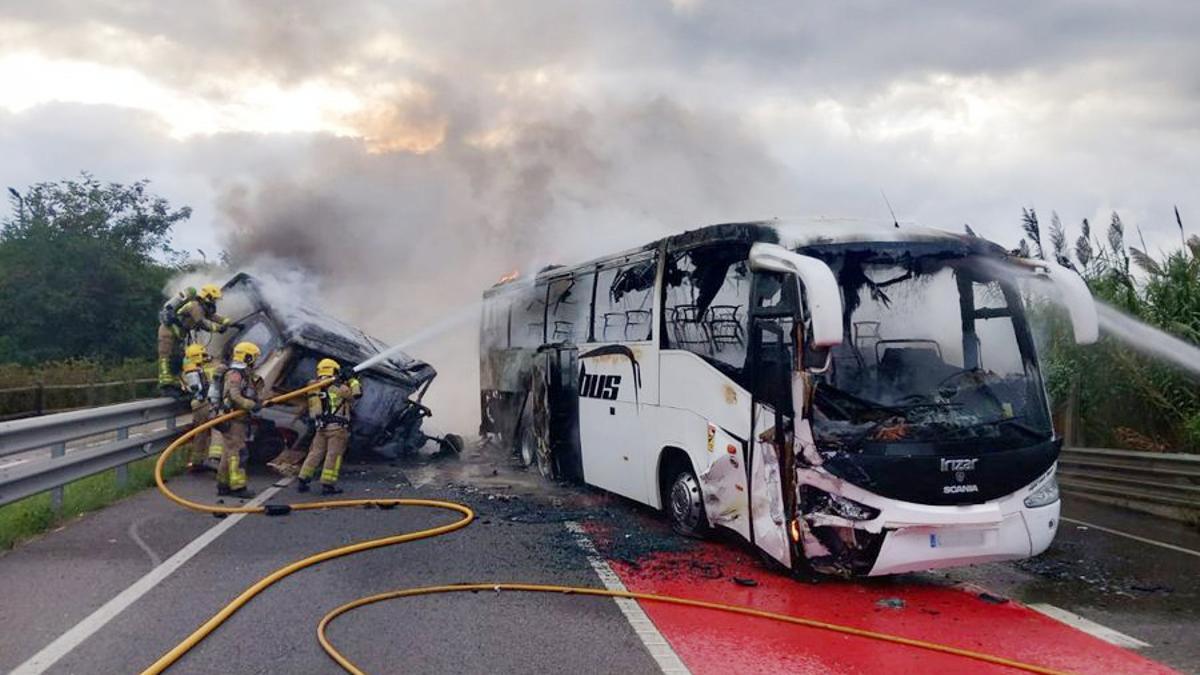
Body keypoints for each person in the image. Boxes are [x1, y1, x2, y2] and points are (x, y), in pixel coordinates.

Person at [298, 358, 362, 495]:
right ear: (334, 370)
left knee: (315, 453)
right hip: (337, 429)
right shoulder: (340, 388)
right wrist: (353, 380)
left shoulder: (313, 387)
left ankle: (302, 480)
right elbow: (356, 395)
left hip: (321, 428)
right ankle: (328, 485)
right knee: (334, 456)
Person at [157, 283, 232, 391]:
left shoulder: (202, 307)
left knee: (178, 359)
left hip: (178, 334)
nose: (215, 302)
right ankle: (166, 384)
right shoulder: (195, 306)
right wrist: (219, 328)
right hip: (168, 332)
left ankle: (177, 383)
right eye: (214, 299)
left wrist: (227, 321)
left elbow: (212, 316)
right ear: (208, 297)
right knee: (166, 356)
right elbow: (202, 323)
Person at [217, 341, 263, 498]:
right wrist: (251, 405)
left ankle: (223, 485)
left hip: (238, 419)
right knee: (239, 452)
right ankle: (238, 487)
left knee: (228, 452)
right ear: (248, 357)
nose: (256, 362)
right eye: (254, 358)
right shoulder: (235, 374)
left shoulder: (244, 374)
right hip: (233, 419)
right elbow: (235, 396)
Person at [179, 343, 226, 472]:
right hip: (211, 402)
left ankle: (197, 462)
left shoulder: (186, 372)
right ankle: (214, 458)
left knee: (200, 432)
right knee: (218, 428)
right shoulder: (215, 366)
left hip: (196, 405)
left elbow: (185, 389)